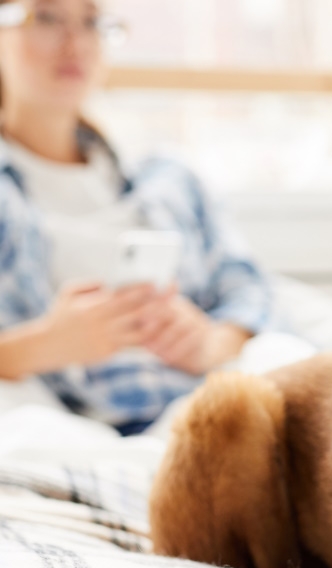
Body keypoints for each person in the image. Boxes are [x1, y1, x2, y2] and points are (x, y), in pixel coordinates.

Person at [0, 0, 272, 435]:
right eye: (47, 17)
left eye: (91, 22)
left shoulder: (168, 179)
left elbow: (250, 291)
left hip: (206, 413)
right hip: (73, 434)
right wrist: (46, 344)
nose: (75, 43)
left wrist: (209, 343)